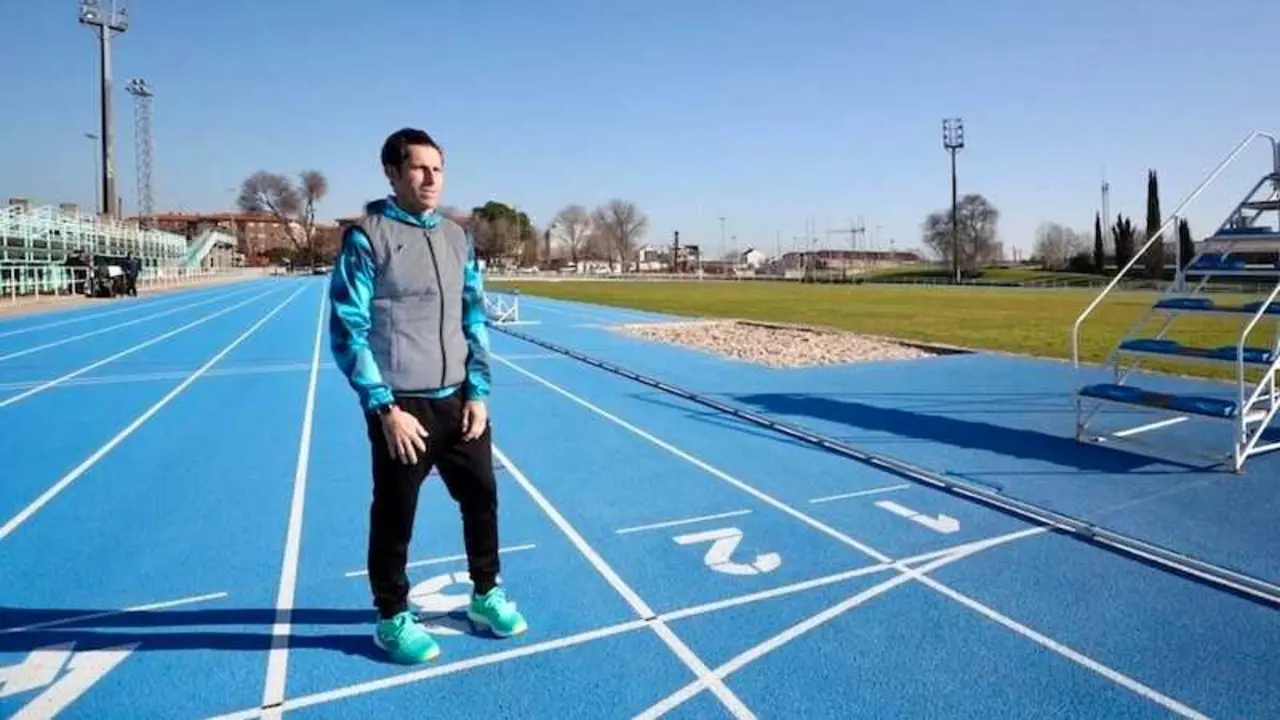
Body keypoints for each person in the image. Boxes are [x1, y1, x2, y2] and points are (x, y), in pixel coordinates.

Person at [328, 127, 527, 665]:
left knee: (482, 497)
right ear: (392, 174)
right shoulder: (367, 237)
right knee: (396, 513)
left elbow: (474, 317)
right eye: (419, 168)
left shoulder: (458, 237)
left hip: (459, 400)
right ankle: (392, 616)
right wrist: (384, 408)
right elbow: (348, 329)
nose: (431, 177)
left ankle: (485, 594)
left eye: (438, 168)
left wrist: (479, 392)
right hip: (402, 407)